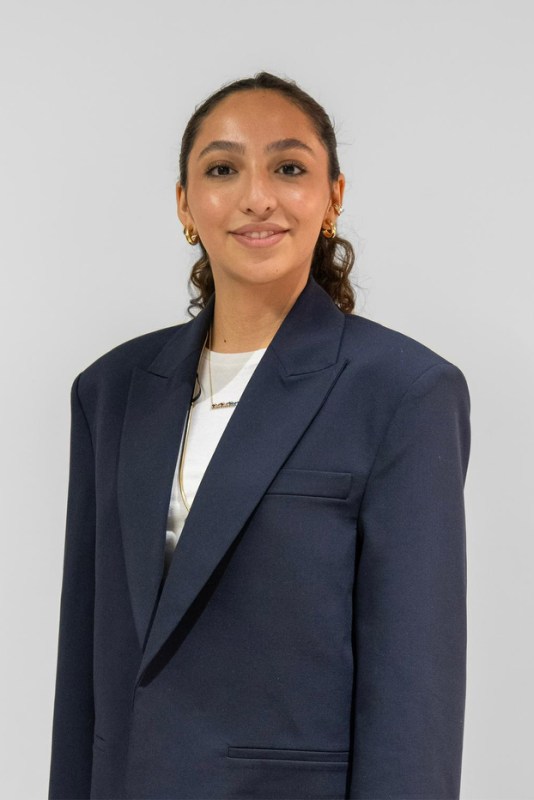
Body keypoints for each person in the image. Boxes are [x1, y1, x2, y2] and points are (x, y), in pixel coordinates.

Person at [48, 71, 471, 800]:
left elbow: (414, 694)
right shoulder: (110, 391)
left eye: (289, 168)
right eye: (221, 169)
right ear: (185, 204)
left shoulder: (403, 392)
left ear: (333, 196)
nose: (256, 196)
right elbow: (85, 672)